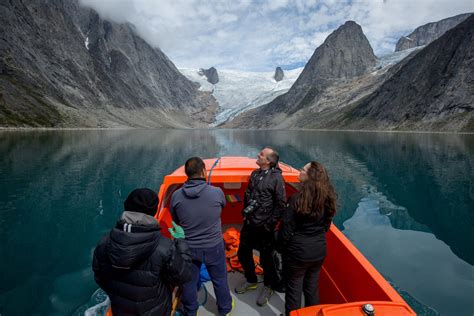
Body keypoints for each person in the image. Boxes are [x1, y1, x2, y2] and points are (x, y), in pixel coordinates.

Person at [92, 188, 192, 316]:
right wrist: (181, 242)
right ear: (154, 211)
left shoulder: (104, 242)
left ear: (126, 207)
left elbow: (99, 276)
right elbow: (184, 276)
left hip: (121, 310)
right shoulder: (164, 246)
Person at [170, 157, 233, 316]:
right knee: (219, 279)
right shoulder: (217, 192)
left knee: (190, 282)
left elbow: (176, 219)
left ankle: (191, 311)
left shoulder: (176, 196)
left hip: (189, 247)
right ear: (204, 171)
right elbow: (222, 207)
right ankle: (224, 309)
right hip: (214, 246)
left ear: (187, 174)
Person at [278, 161, 337, 316]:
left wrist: (281, 248)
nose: (299, 171)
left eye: (302, 169)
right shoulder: (328, 198)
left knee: (294, 289)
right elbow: (326, 226)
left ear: (310, 176)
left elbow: (286, 230)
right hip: (318, 251)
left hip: (298, 253)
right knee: (311, 288)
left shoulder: (297, 199)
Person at [235, 147, 286, 306]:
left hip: (265, 227)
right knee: (243, 253)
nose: (258, 155)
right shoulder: (255, 174)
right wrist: (246, 214)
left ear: (269, 161)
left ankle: (269, 286)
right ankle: (251, 280)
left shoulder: (277, 179)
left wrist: (269, 224)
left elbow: (281, 204)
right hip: (249, 223)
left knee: (267, 259)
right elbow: (249, 196)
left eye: (262, 154)